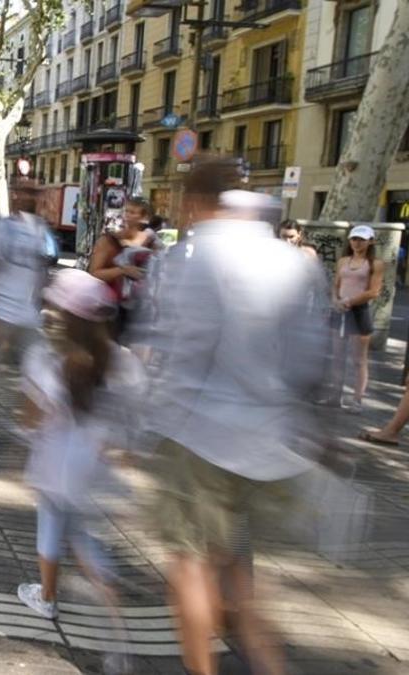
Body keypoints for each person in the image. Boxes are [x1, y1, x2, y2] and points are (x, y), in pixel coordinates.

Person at [143, 156, 329, 675]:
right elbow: (312, 359)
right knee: (240, 582)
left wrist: (141, 427)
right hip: (271, 442)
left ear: (195, 202)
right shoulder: (293, 261)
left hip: (202, 441)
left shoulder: (193, 259)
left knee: (190, 569)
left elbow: (184, 355)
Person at [15, 270, 139, 675]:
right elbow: (130, 418)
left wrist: (23, 436)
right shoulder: (121, 360)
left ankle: (48, 597)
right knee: (84, 538)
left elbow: (32, 419)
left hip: (55, 463)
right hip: (93, 466)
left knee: (54, 531)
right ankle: (116, 638)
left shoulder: (45, 359)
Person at [0, 183, 50, 451]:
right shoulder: (1, 228)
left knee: (39, 370)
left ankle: (28, 426)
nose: (29, 197)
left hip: (29, 315)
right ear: (15, 195)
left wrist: (43, 305)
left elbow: (40, 272)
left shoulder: (40, 229)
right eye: (24, 192)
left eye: (34, 192)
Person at [328, 224, 383, 412]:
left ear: (370, 241)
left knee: (359, 360)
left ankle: (357, 400)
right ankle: (335, 396)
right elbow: (336, 284)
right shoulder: (343, 261)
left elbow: (374, 291)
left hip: (358, 312)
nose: (357, 243)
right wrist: (335, 300)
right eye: (354, 239)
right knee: (337, 356)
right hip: (340, 310)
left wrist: (350, 301)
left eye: (361, 239)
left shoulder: (375, 263)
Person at [88, 196, 158, 338]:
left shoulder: (152, 242)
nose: (127, 216)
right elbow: (94, 273)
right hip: (111, 308)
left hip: (141, 309)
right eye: (127, 211)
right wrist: (122, 270)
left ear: (145, 217)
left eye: (133, 212)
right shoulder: (109, 240)